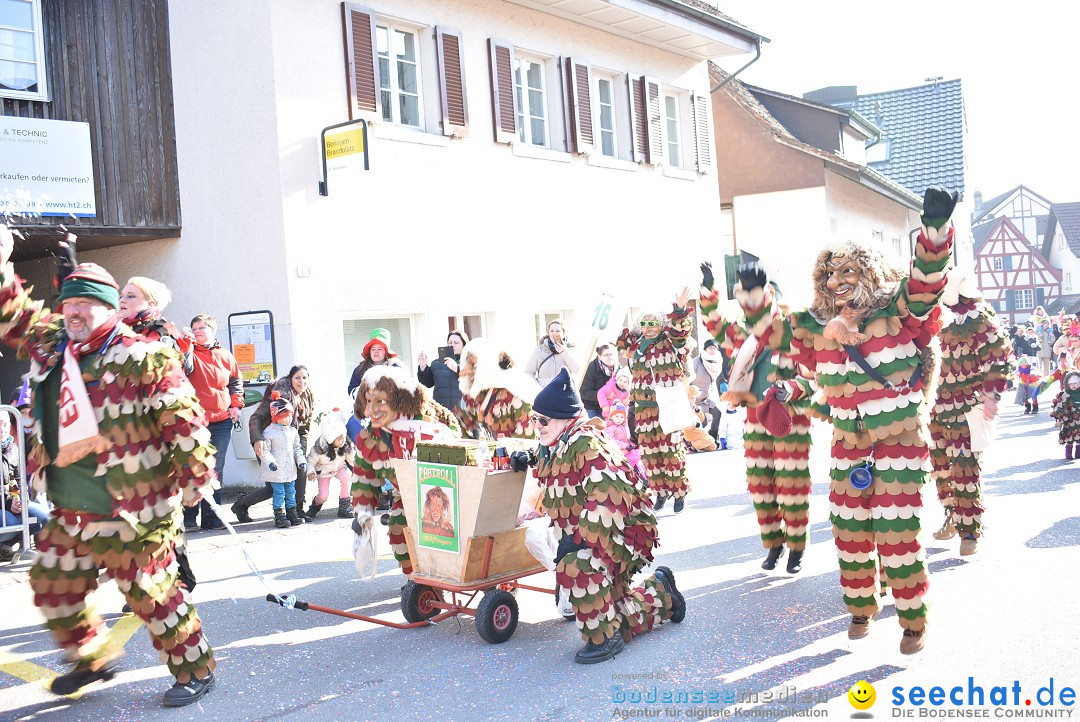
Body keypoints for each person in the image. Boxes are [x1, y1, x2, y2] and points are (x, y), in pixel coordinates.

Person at [0, 227, 217, 705]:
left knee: (153, 597)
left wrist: (196, 477)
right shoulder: (52, 344)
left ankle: (195, 670)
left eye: (86, 305)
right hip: (70, 507)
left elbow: (184, 419)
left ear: (107, 308)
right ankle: (92, 659)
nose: (74, 312)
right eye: (69, 304)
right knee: (54, 585)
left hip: (131, 512)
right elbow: (14, 316)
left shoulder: (143, 355)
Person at [773, 187, 959, 655]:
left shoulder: (898, 311)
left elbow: (925, 282)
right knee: (851, 531)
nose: (837, 281)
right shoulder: (813, 327)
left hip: (898, 439)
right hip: (847, 445)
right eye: (829, 274)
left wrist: (934, 230)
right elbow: (815, 381)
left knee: (896, 531)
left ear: (869, 272)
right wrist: (784, 393)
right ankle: (860, 608)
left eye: (848, 271)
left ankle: (913, 621)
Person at [512, 368, 685, 664]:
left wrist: (578, 540)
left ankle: (605, 640)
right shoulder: (557, 442)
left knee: (575, 566)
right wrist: (527, 459)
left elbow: (607, 500)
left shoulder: (588, 444)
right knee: (609, 610)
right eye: (534, 419)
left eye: (543, 420)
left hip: (622, 533)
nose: (537, 426)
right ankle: (661, 590)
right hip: (601, 533)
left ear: (566, 420)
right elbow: (554, 465)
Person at [700, 262, 816, 574]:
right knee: (761, 488)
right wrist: (708, 289)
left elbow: (815, 379)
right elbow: (715, 325)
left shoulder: (794, 332)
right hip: (755, 418)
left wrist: (792, 388)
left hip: (791, 420)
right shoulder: (742, 336)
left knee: (792, 488)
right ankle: (774, 544)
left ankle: (796, 548)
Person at [927, 267, 1011, 556]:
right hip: (933, 406)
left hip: (965, 407)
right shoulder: (930, 315)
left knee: (964, 469)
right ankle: (952, 514)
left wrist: (991, 397)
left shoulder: (979, 318)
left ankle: (969, 532)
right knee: (940, 468)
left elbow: (998, 359)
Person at [350, 366, 460, 576]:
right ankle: (418, 581)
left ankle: (446, 573)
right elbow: (364, 479)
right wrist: (362, 521)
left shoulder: (430, 428)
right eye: (367, 401)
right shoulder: (372, 437)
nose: (370, 410)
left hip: (450, 497)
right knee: (399, 525)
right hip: (408, 497)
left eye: (379, 401)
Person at [615, 289, 694, 513]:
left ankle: (679, 492)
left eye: (653, 323)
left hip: (667, 408)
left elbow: (681, 333)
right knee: (650, 455)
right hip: (643, 409)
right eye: (645, 323)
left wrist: (679, 309)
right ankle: (660, 492)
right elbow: (623, 344)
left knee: (671, 453)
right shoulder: (635, 346)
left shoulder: (671, 343)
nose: (649, 328)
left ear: (660, 324)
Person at [184, 313, 243, 531]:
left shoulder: (225, 355)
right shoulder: (188, 351)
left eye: (201, 328)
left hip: (221, 420)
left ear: (212, 331)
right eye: (194, 328)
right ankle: (189, 517)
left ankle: (212, 517)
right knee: (193, 467)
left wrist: (236, 405)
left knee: (216, 468)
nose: (197, 331)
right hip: (195, 420)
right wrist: (186, 346)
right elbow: (185, 369)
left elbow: (236, 382)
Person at [233, 366, 315, 523]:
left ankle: (296, 511)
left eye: (304, 378)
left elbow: (304, 429)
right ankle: (241, 505)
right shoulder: (277, 399)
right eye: (297, 377)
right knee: (273, 488)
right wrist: (258, 439)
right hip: (269, 446)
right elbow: (255, 418)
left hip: (290, 444)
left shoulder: (306, 397)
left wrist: (299, 454)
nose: (301, 381)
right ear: (290, 379)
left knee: (297, 475)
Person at [457, 339, 539, 439]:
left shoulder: (518, 394)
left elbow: (526, 443)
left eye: (474, 366)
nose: (465, 372)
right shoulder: (475, 396)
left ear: (489, 366)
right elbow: (456, 424)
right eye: (467, 364)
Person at [259, 392, 307, 528]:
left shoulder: (292, 431)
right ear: (277, 416)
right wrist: (270, 462)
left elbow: (297, 448)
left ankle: (292, 512)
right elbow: (265, 450)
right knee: (279, 492)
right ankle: (279, 515)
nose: (289, 419)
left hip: (290, 470)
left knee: (291, 491)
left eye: (291, 416)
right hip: (277, 471)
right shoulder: (269, 432)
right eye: (286, 416)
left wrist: (301, 460)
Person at [304, 412, 355, 520]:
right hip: (324, 471)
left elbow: (352, 458)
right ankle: (315, 506)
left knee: (346, 479)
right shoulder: (320, 449)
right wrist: (311, 472)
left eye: (343, 438)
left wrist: (358, 468)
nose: (342, 441)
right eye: (338, 439)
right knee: (323, 495)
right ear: (330, 439)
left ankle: (344, 506)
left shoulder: (345, 446)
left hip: (339, 467)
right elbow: (310, 461)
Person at [417, 330, 468, 412]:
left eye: (456, 342)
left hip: (464, 411)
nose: (452, 345)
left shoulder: (470, 362)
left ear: (464, 344)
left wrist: (457, 369)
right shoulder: (436, 363)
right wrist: (423, 367)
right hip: (442, 411)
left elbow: (475, 379)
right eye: (450, 342)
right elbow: (427, 383)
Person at [524, 319, 580, 388]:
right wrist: (537, 387)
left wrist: (564, 352)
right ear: (548, 333)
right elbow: (528, 372)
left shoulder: (570, 350)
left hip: (564, 393)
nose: (554, 333)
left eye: (558, 331)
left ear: (563, 333)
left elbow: (577, 370)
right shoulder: (539, 350)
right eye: (552, 331)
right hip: (545, 392)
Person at [347, 328, 401, 397]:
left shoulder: (396, 368)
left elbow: (403, 390)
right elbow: (351, 391)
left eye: (380, 349)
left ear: (386, 352)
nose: (376, 351)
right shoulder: (360, 369)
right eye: (373, 349)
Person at [692, 339, 726, 442]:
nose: (712, 350)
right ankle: (696, 442)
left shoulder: (717, 361)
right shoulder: (697, 361)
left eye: (714, 348)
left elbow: (720, 375)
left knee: (717, 414)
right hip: (694, 398)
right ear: (705, 349)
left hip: (707, 397)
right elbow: (688, 377)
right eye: (710, 347)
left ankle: (712, 437)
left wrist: (723, 383)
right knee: (702, 421)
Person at [579, 344, 615, 419]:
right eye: (606, 355)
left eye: (611, 354)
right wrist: (603, 396)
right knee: (593, 425)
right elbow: (584, 392)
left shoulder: (615, 368)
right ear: (599, 356)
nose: (610, 357)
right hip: (591, 405)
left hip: (608, 405)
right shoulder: (592, 368)